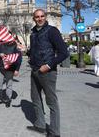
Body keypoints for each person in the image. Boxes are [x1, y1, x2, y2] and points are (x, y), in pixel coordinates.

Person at [27, 9, 68, 137]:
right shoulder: (32, 33)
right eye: (37, 17)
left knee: (51, 102)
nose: (40, 19)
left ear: (45, 17)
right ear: (33, 18)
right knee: (35, 98)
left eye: (42, 16)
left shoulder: (52, 31)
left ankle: (55, 132)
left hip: (48, 72)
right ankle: (40, 125)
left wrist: (49, 65)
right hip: (34, 70)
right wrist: (28, 53)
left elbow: (64, 53)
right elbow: (35, 51)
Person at [0, 40, 22, 108]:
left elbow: (19, 58)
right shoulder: (1, 44)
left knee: (9, 85)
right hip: (0, 68)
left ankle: (8, 99)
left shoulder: (15, 45)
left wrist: (17, 69)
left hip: (10, 68)